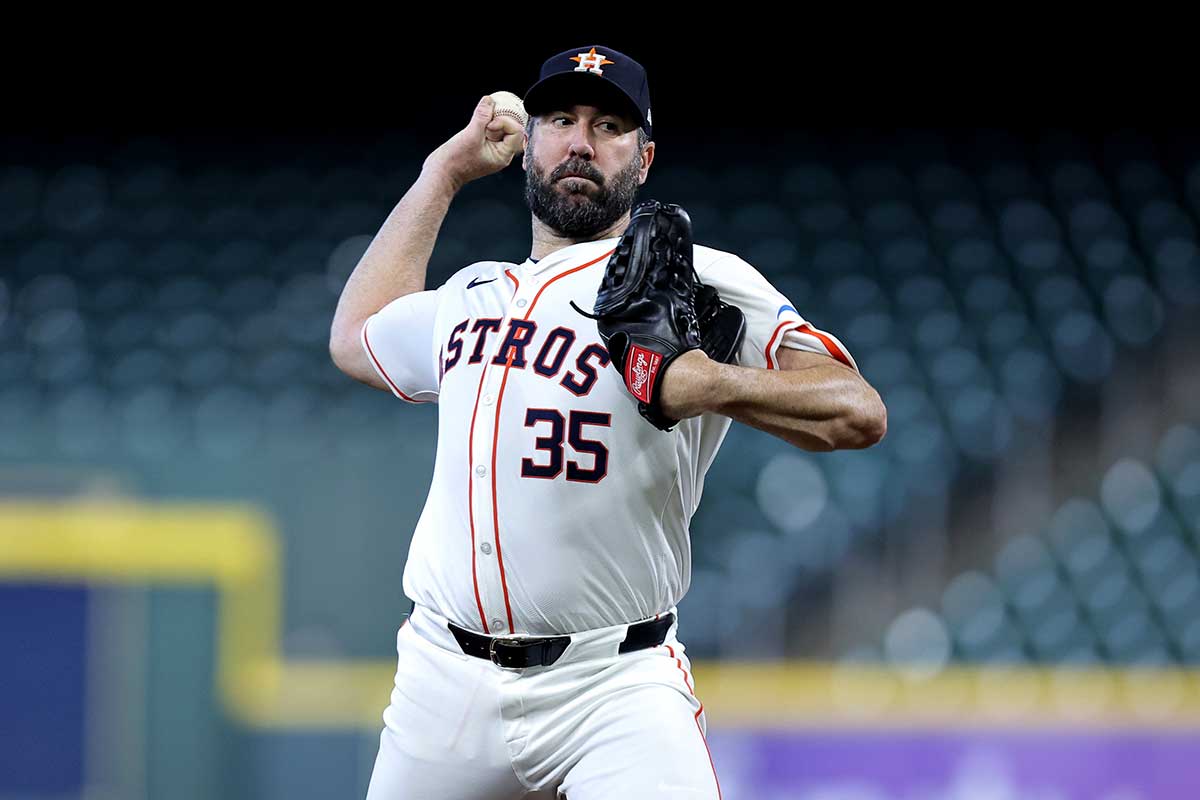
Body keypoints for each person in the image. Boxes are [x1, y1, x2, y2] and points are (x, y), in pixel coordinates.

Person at [329, 44, 886, 800]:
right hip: (443, 683)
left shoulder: (692, 277)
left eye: (609, 125)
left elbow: (857, 411)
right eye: (559, 119)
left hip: (614, 685)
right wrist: (444, 173)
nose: (580, 141)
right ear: (529, 143)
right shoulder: (475, 292)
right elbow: (355, 335)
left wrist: (706, 381)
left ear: (645, 157)